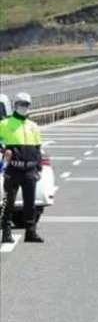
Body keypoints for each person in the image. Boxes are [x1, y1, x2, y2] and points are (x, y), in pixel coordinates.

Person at [1, 92, 44, 243]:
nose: (23, 107)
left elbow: (38, 149)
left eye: (26, 104)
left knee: (30, 204)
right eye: (21, 104)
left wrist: (38, 168)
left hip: (30, 171)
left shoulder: (33, 126)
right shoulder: (5, 124)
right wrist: (3, 149)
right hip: (13, 170)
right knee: (9, 203)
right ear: (15, 105)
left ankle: (30, 232)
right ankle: (6, 233)